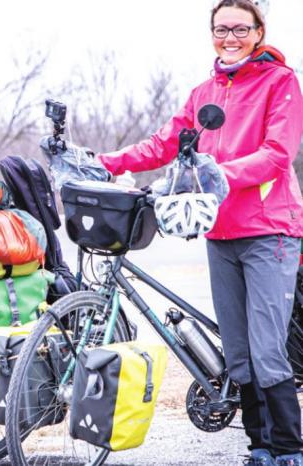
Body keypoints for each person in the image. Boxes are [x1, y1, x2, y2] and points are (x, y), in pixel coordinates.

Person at [95, 1, 303, 465]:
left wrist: (217, 172)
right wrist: (107, 161)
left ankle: (290, 448)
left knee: (268, 348)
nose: (229, 38)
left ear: (258, 32)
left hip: (270, 230)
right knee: (239, 350)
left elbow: (276, 153)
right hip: (220, 232)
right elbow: (165, 142)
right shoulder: (204, 92)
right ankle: (260, 446)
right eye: (220, 29)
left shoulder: (281, 82)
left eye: (240, 29)